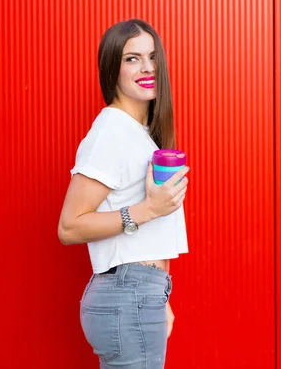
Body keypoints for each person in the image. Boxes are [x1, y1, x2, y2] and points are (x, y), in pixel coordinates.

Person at [57, 19, 190, 368]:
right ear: (111, 70)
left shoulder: (137, 133)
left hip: (140, 292)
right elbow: (70, 227)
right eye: (131, 59)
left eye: (151, 57)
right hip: (128, 294)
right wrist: (147, 209)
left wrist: (160, 297)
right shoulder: (112, 131)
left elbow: (148, 240)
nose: (147, 68)